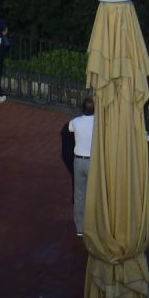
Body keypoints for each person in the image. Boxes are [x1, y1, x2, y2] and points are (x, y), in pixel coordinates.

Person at [68, 94, 95, 236]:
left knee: (79, 195)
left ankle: (80, 227)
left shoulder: (76, 122)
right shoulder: (98, 122)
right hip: (93, 162)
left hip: (78, 161)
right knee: (95, 194)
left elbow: (70, 128)